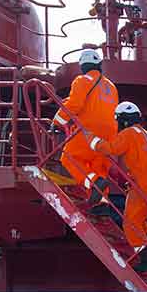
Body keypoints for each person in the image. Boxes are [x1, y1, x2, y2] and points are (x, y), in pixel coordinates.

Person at [90, 101, 147, 274]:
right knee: (140, 221)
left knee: (130, 224)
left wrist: (94, 142)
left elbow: (113, 148)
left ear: (124, 120)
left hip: (142, 185)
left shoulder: (129, 133)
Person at [49, 48, 118, 190]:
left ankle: (93, 184)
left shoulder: (82, 80)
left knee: (69, 158)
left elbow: (74, 104)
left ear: (82, 66)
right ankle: (101, 205)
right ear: (99, 64)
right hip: (110, 134)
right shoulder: (111, 87)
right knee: (99, 168)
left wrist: (57, 122)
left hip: (89, 131)